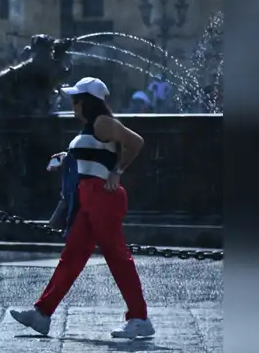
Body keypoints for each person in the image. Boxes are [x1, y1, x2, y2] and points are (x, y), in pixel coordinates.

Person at [10, 77, 154, 339]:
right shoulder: (92, 127)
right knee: (73, 257)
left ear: (87, 101)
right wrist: (66, 159)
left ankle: (139, 318)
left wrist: (118, 171)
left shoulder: (103, 123)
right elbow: (93, 157)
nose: (73, 104)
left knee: (116, 257)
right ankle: (42, 313)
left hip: (103, 196)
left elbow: (136, 141)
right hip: (89, 197)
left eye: (76, 99)